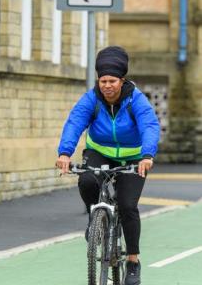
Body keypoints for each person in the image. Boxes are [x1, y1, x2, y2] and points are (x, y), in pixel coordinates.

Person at [56, 46, 160, 285]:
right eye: (103, 80)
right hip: (100, 152)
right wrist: (64, 152)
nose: (107, 85)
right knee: (87, 179)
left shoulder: (136, 100)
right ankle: (96, 221)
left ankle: (133, 261)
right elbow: (74, 122)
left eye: (112, 80)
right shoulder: (91, 99)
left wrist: (147, 155)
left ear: (121, 81)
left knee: (127, 205)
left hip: (134, 157)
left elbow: (149, 126)